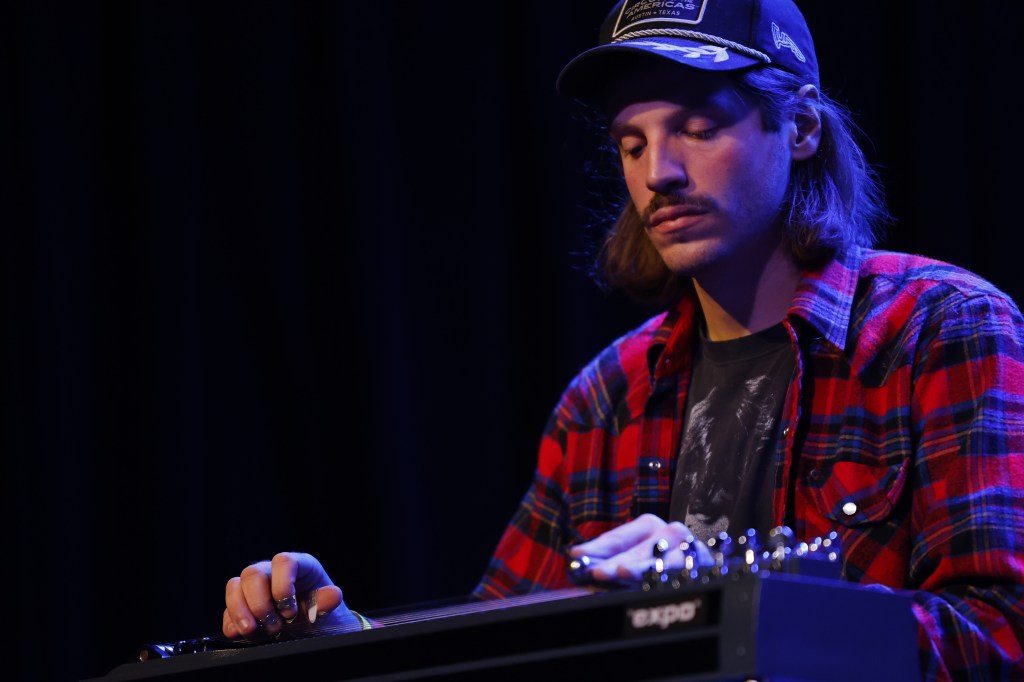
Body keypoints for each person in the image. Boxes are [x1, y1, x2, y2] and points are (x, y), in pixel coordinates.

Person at [221, 1, 1024, 678]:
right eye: (631, 143)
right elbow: (494, 647)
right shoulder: (606, 396)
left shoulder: (942, 327)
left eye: (698, 126)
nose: (658, 174)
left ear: (803, 127)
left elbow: (1001, 635)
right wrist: (342, 639)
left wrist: (737, 597)